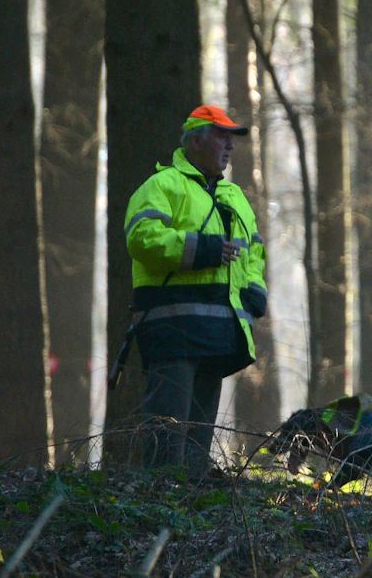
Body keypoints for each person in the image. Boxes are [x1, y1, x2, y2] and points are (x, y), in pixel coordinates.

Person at [122, 105, 268, 471]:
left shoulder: (235, 197)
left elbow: (254, 251)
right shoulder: (162, 185)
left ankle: (193, 497)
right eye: (222, 136)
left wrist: (255, 291)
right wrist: (201, 249)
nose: (230, 146)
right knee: (167, 427)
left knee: (198, 432)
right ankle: (162, 497)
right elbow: (141, 238)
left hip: (218, 331)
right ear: (197, 140)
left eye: (232, 138)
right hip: (172, 327)